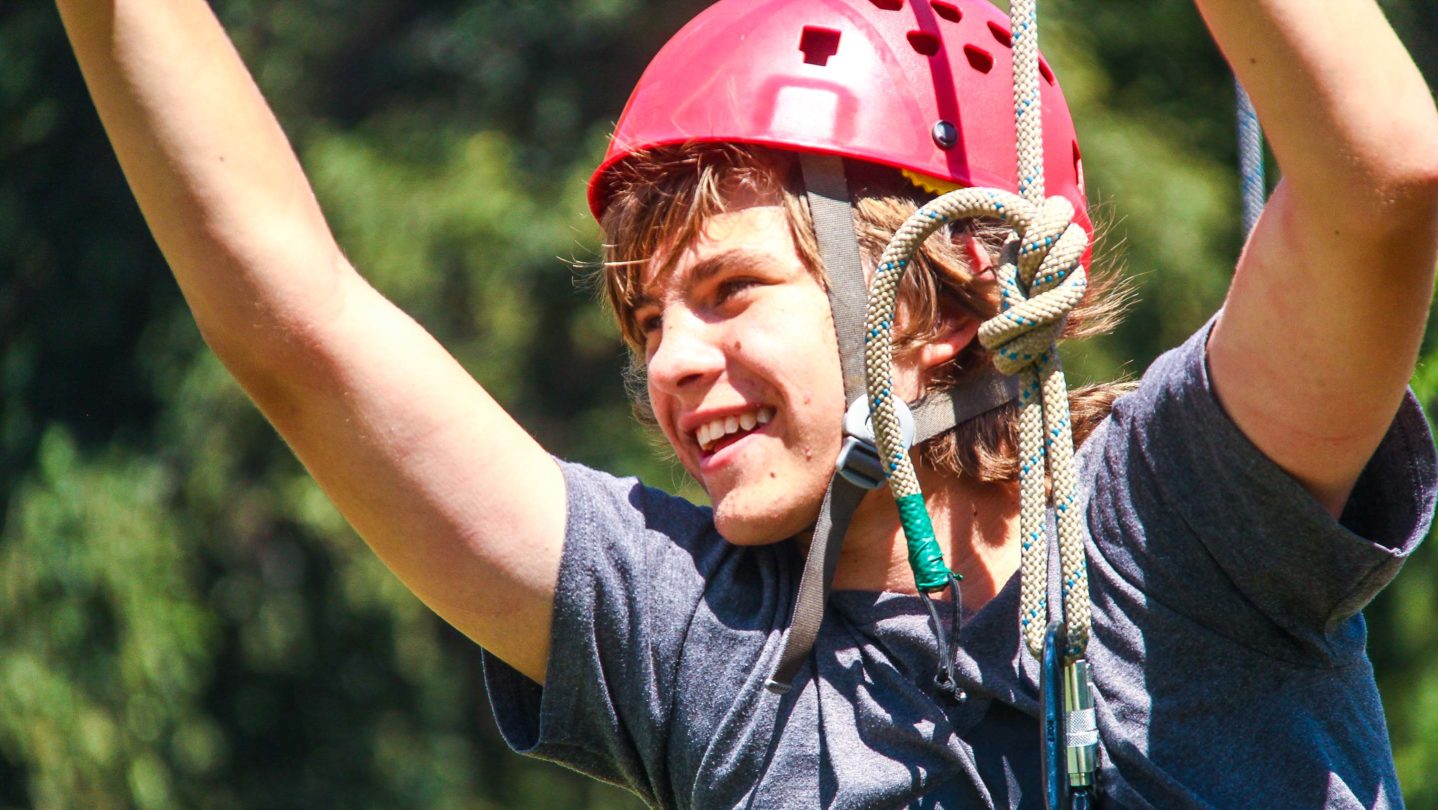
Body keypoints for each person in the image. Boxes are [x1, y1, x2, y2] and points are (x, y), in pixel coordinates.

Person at [56, 0, 1438, 806]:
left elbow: (1382, 183)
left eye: (723, 291)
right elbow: (295, 327)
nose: (664, 364)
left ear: (940, 286)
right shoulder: (697, 640)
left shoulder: (1184, 521)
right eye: (648, 322)